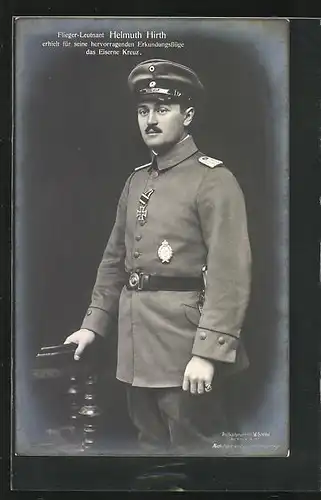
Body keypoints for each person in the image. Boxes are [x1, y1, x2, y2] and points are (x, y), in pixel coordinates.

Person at [64, 58, 252, 455]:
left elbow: (229, 272)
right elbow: (115, 261)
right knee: (151, 454)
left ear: (188, 115)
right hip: (136, 349)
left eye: (162, 109)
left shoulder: (213, 180)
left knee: (194, 457)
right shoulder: (135, 181)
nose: (150, 119)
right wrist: (93, 326)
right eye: (143, 110)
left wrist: (208, 353)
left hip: (186, 350)